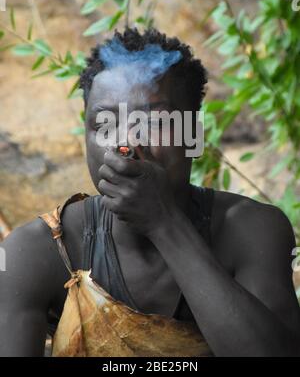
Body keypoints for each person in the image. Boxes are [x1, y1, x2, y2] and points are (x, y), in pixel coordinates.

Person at [0, 27, 299, 357]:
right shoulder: (37, 251)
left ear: (194, 138)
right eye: (104, 124)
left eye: (154, 123)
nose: (126, 143)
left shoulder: (250, 229)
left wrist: (164, 224)